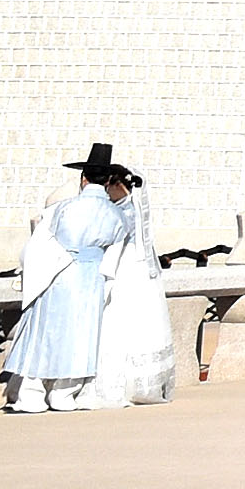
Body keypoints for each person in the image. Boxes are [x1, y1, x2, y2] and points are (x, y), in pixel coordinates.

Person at [4, 143, 133, 411]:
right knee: (81, 334)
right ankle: (63, 394)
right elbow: (117, 250)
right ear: (107, 181)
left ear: (83, 179)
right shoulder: (117, 215)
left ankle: (32, 394)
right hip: (92, 276)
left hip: (58, 272)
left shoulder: (61, 209)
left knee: (44, 331)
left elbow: (37, 245)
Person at [97, 164, 177, 408]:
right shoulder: (133, 209)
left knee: (120, 322)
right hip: (135, 272)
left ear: (117, 185)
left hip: (127, 272)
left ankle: (120, 383)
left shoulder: (124, 211)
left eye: (108, 185)